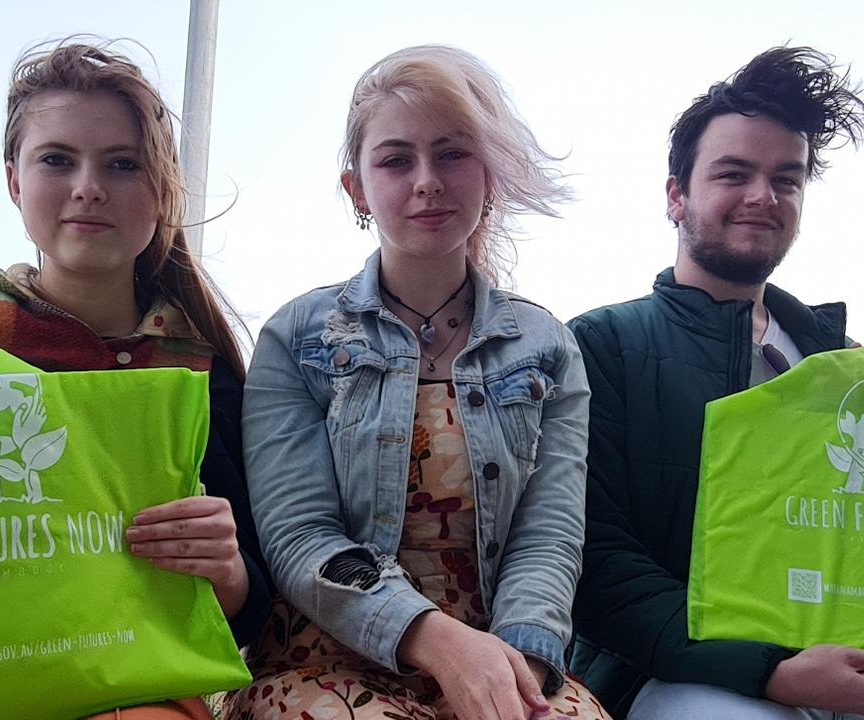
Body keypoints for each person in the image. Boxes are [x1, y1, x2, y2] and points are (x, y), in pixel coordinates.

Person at [0, 40, 270, 720]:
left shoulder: (201, 368)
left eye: (122, 164)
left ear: (161, 190)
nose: (88, 186)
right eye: (57, 159)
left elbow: (247, 616)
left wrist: (228, 572)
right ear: (14, 179)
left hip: (137, 691)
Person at [567, 46, 864, 719]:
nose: (763, 197)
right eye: (733, 173)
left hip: (861, 674)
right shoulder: (598, 347)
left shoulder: (853, 371)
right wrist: (772, 671)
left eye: (787, 178)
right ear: (675, 195)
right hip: (674, 676)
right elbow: (594, 562)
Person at [225, 45, 607, 720]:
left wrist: (520, 666)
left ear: (489, 172)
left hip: (504, 653)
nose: (426, 180)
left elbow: (548, 534)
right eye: (396, 159)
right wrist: (435, 641)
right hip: (328, 656)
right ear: (357, 189)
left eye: (453, 153)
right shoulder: (298, 338)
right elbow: (299, 534)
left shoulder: (549, 347)